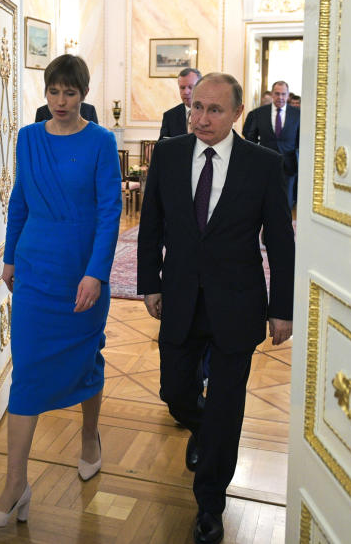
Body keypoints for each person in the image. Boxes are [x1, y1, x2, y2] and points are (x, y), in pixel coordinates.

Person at [137, 73, 294, 544]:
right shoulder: (166, 154)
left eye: (214, 110)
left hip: (237, 305)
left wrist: (281, 308)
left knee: (228, 408)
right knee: (176, 393)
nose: (201, 118)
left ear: (237, 114)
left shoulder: (263, 165)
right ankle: (203, 429)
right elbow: (151, 226)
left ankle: (210, 504)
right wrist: (149, 283)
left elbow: (281, 244)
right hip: (180, 299)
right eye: (196, 107)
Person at [0, 54, 122, 528]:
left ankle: (89, 437)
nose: (61, 102)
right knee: (28, 371)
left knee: (86, 357)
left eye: (71, 93)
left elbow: (108, 212)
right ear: (46, 93)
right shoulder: (27, 138)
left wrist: (96, 274)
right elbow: (19, 200)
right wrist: (11, 257)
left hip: (80, 269)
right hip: (36, 268)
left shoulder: (101, 141)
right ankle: (15, 485)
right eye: (54, 92)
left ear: (83, 94)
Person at [242, 80, 300, 208]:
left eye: (283, 94)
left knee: (286, 202)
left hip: (289, 165)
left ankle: (284, 227)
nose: (280, 97)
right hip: (264, 162)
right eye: (277, 94)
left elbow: (301, 140)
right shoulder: (259, 113)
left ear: (288, 95)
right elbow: (250, 136)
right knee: (264, 200)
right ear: (272, 94)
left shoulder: (298, 114)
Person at [158, 67, 202, 140]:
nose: (186, 92)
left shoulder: (210, 113)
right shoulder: (169, 116)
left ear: (201, 87)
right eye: (182, 88)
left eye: (191, 87)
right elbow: (162, 146)